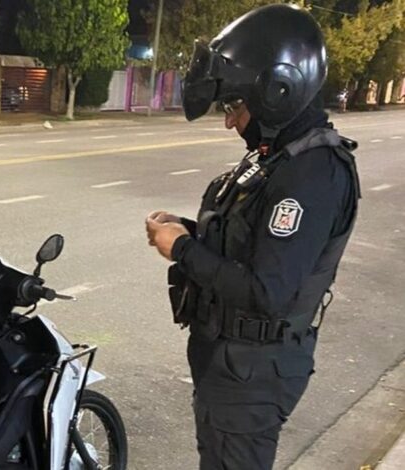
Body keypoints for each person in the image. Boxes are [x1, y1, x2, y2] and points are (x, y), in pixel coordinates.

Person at [145, 5, 361, 469]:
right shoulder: (277, 159)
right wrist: (187, 230)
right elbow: (246, 243)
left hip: (252, 378)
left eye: (234, 106)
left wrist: (181, 249)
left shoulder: (311, 175)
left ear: (278, 90)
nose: (229, 122)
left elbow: (267, 291)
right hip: (231, 368)